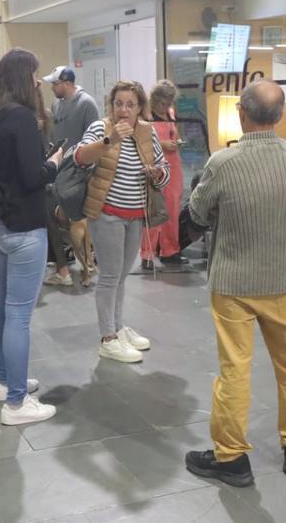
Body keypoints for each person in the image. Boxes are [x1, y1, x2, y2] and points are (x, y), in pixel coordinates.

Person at [184, 81, 286, 487]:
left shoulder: (224, 163)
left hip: (234, 283)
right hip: (284, 279)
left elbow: (198, 213)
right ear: (279, 116)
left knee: (235, 369)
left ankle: (232, 458)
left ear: (242, 112)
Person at [0, 48, 64, 425]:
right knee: (18, 316)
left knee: (0, 307)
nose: (39, 80)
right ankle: (17, 403)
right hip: (24, 229)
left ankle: (6, 382)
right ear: (22, 77)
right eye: (35, 73)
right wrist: (55, 163)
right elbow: (33, 178)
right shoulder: (23, 119)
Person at [75, 81, 170, 363]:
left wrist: (156, 174)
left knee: (121, 276)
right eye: (119, 104)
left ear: (140, 107)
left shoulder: (146, 132)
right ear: (111, 106)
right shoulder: (100, 127)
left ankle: (117, 327)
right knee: (109, 277)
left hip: (135, 216)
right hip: (107, 215)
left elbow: (164, 168)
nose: (124, 110)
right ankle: (107, 338)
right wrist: (110, 140)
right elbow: (80, 157)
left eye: (130, 104)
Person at [42, 65, 101, 287]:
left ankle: (88, 264)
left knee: (78, 220)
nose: (52, 88)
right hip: (60, 171)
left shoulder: (86, 104)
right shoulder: (57, 105)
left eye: (55, 84)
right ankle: (75, 263)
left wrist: (90, 171)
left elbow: (96, 138)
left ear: (66, 83)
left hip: (79, 172)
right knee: (60, 218)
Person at [140, 80, 185, 270]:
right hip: (155, 165)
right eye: (163, 103)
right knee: (154, 208)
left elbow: (174, 134)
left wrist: (177, 142)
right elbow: (140, 140)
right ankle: (147, 253)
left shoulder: (171, 114)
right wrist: (162, 143)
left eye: (169, 103)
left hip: (173, 165)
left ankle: (170, 250)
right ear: (155, 99)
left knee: (173, 208)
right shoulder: (146, 116)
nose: (166, 107)